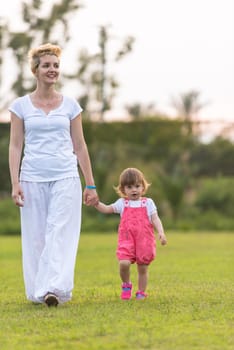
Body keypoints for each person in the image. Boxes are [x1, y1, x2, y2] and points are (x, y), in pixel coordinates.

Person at [8, 43, 99, 307]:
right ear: (35, 70)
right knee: (37, 235)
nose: (52, 70)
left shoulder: (71, 105)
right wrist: (15, 183)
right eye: (47, 65)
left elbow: (80, 146)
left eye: (56, 65)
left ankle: (55, 289)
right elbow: (15, 146)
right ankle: (40, 289)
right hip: (32, 178)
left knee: (60, 231)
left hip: (66, 177)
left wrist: (90, 184)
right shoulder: (20, 106)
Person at [95, 167, 167, 300]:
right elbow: (106, 209)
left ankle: (141, 292)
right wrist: (96, 203)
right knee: (124, 263)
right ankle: (126, 284)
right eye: (129, 187)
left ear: (143, 187)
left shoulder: (148, 203)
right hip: (127, 239)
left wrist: (161, 232)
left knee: (143, 268)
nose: (134, 190)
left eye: (137, 186)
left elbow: (155, 218)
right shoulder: (122, 203)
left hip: (144, 240)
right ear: (123, 190)